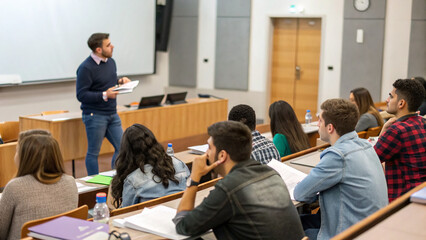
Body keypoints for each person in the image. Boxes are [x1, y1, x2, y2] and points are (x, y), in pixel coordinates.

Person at [173, 121, 305, 239]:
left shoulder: (228, 188)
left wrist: (195, 178)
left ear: (222, 155)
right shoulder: (271, 173)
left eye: (209, 148)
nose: (206, 153)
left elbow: (183, 225)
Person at [294, 99, 388, 240]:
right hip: (370, 228)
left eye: (320, 120)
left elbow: (300, 193)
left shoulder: (338, 156)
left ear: (330, 128)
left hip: (348, 233)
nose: (318, 124)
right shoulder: (366, 146)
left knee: (286, 227)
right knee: (300, 220)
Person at [0, 130, 78, 240]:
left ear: (26, 157)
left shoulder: (15, 188)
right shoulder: (70, 182)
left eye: (17, 151)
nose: (14, 156)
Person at [76, 33, 131, 175]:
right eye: (108, 45)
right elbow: (81, 95)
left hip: (112, 113)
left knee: (123, 147)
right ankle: (93, 185)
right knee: (94, 152)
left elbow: (108, 81)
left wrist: (120, 81)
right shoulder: (85, 68)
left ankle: (117, 179)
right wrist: (105, 94)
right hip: (95, 115)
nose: (112, 46)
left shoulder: (111, 62)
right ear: (98, 50)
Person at [110, 124, 190, 208]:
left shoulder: (133, 180)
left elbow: (125, 212)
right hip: (180, 214)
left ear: (127, 152)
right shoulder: (179, 164)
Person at [374, 79, 426, 202]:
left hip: (400, 200)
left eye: (390, 97)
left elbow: (371, 161)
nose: (387, 100)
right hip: (419, 193)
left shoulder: (396, 131)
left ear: (401, 103)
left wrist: (383, 132)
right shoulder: (422, 122)